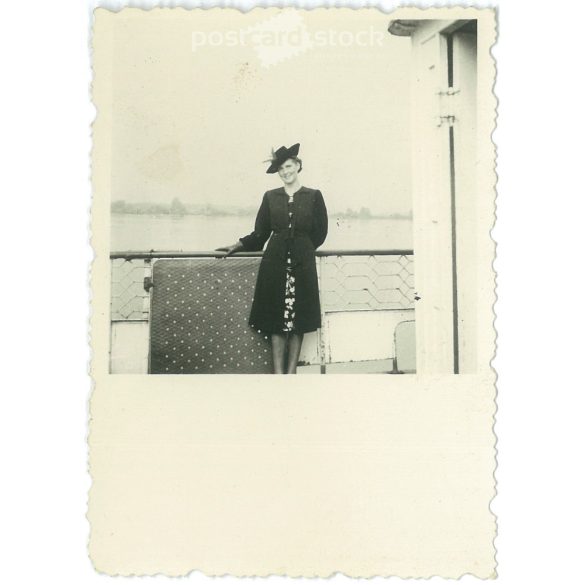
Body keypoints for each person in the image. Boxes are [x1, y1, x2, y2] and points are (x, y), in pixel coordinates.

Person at [216, 143, 328, 374]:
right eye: (281, 169)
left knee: (299, 321)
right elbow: (260, 233)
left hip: (302, 265)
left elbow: (320, 232)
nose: (285, 172)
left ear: (297, 166)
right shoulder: (270, 197)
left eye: (288, 166)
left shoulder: (314, 196)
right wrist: (237, 245)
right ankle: (278, 374)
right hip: (275, 265)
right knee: (277, 319)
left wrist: (302, 248)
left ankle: (291, 372)